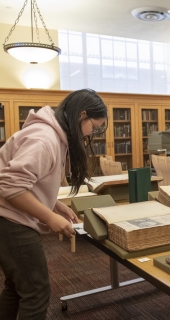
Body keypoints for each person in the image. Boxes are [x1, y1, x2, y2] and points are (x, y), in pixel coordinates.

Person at [0, 89, 108, 319]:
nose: (93, 133)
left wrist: (54, 204)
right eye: (95, 126)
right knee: (36, 292)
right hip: (10, 221)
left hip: (9, 217)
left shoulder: (53, 134)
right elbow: (10, 186)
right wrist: (49, 217)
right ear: (82, 115)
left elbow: (32, 182)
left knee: (17, 286)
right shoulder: (44, 139)